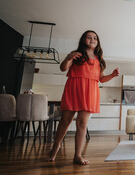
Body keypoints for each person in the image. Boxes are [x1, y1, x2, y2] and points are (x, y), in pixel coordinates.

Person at [47, 30, 119, 165]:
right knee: (65, 120)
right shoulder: (77, 55)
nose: (92, 39)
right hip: (74, 88)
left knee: (82, 123)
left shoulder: (99, 60)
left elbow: (101, 79)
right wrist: (68, 58)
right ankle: (55, 147)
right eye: (89, 37)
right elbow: (63, 68)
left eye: (95, 38)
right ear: (83, 40)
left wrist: (113, 75)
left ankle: (77, 155)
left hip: (90, 91)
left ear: (98, 42)